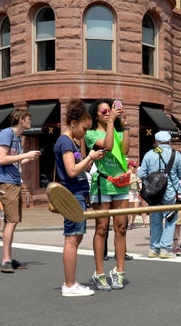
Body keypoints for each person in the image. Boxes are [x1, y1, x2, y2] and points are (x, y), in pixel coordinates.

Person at [54, 98, 106, 297]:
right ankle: (69, 284)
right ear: (74, 123)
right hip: (73, 194)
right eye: (84, 129)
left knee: (75, 237)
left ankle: (71, 283)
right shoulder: (66, 142)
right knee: (72, 238)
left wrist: (89, 159)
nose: (85, 134)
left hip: (77, 194)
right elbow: (72, 170)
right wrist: (90, 157)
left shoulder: (69, 142)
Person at [85, 98, 129, 290]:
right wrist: (111, 121)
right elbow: (108, 146)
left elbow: (125, 150)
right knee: (101, 228)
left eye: (109, 111)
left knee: (121, 228)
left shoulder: (118, 131)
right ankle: (100, 272)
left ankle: (119, 271)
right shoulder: (91, 134)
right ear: (95, 114)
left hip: (121, 185)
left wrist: (125, 128)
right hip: (102, 184)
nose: (107, 113)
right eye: (103, 111)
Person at [0, 108, 41, 273]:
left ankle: (8, 257)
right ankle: (6, 259)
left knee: (11, 221)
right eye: (28, 118)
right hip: (6, 183)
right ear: (21, 119)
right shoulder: (6, 134)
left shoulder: (16, 137)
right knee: (11, 221)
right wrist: (25, 155)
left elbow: (13, 161)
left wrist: (27, 158)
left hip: (13, 181)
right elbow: (1, 159)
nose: (30, 121)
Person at [138, 131, 181, 259]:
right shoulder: (176, 155)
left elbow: (141, 174)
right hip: (170, 192)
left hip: (153, 193)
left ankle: (154, 248)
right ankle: (166, 249)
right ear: (169, 142)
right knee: (170, 220)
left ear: (156, 141)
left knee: (155, 221)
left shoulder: (149, 154)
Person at [127, 160, 146, 230]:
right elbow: (127, 183)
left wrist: (139, 188)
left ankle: (132, 222)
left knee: (135, 209)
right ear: (130, 166)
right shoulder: (128, 173)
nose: (135, 168)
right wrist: (136, 180)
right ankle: (129, 223)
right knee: (130, 209)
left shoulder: (136, 174)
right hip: (130, 191)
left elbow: (138, 183)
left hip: (136, 191)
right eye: (134, 167)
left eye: (136, 167)